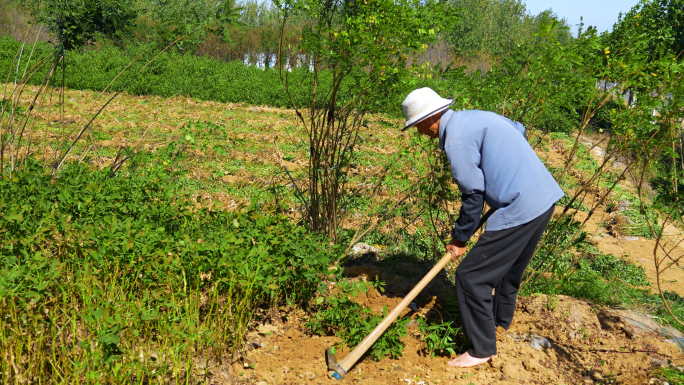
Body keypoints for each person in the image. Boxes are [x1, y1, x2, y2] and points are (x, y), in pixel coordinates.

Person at [401, 87, 564, 368]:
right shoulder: (475, 117)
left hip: (520, 206)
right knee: (508, 271)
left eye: (417, 125)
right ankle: (500, 324)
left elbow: (473, 194)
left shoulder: (456, 141)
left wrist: (459, 238)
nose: (418, 132)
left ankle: (481, 348)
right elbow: (519, 130)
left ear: (430, 119)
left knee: (470, 276)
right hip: (544, 196)